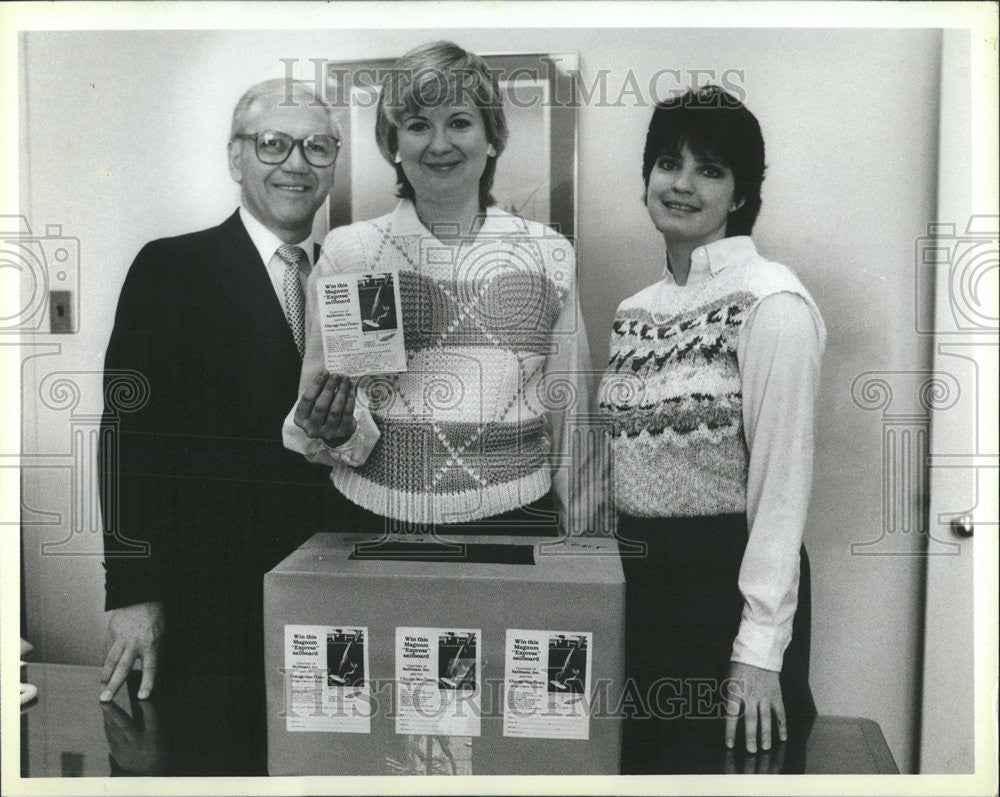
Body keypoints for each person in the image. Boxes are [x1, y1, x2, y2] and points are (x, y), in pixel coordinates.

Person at [98, 78, 354, 774]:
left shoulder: (355, 277)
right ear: (236, 158)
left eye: (317, 146)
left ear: (335, 163)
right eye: (274, 143)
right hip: (205, 607)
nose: (297, 162)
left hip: (331, 598)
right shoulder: (171, 267)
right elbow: (126, 441)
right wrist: (131, 593)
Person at [597, 85, 825, 772]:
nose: (683, 184)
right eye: (669, 163)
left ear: (742, 194)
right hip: (637, 592)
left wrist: (757, 653)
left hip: (723, 594)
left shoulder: (772, 302)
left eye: (711, 169)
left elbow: (781, 494)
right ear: (646, 180)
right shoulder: (633, 311)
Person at [283, 41, 597, 540]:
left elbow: (571, 415)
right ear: (393, 145)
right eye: (417, 125)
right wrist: (337, 431)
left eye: (459, 121)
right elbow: (326, 424)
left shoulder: (548, 253)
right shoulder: (353, 253)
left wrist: (583, 539)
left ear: (492, 138)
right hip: (374, 521)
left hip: (517, 521)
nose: (439, 143)